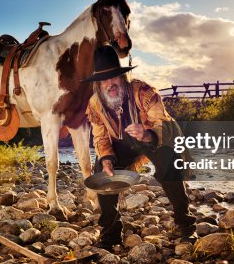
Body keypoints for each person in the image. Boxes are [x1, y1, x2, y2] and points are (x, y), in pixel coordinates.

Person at [83, 45, 197, 250]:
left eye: (114, 77)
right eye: (104, 80)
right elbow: (100, 138)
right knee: (102, 174)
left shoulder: (143, 92)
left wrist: (147, 134)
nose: (110, 84)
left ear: (122, 77)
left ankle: (185, 223)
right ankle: (111, 234)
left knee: (169, 165)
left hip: (155, 138)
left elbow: (162, 124)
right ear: (98, 84)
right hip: (121, 144)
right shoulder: (94, 104)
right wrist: (106, 158)